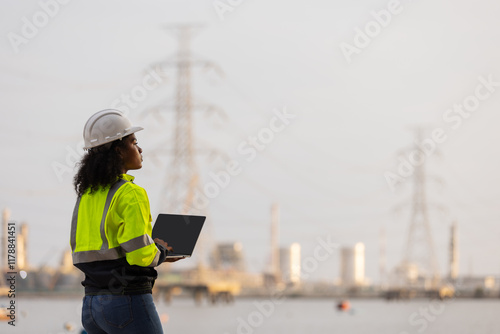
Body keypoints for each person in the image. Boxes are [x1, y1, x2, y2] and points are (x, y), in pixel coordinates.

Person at [70, 109, 182, 334]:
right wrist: (160, 251)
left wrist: (154, 251)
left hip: (92, 307)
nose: (140, 149)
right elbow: (140, 254)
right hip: (126, 302)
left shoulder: (87, 195)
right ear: (119, 151)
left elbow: (87, 249)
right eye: (134, 142)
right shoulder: (130, 193)